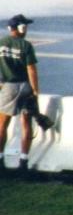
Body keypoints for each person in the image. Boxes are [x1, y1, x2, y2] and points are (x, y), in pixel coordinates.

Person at [1, 14, 46, 171]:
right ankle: (23, 161)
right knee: (26, 123)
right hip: (25, 86)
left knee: (2, 124)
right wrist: (35, 90)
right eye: (24, 27)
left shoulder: (1, 43)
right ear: (19, 28)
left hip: (8, 87)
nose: (26, 30)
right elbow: (31, 69)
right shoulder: (26, 46)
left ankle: (0, 159)